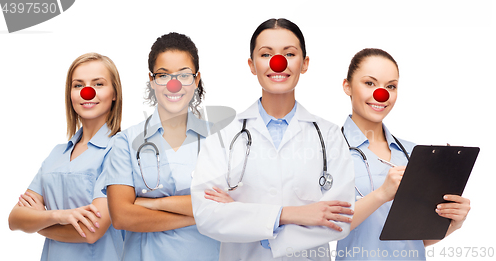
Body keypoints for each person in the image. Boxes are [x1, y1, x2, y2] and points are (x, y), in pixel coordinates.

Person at [191, 18, 355, 260]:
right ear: (252, 65)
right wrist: (289, 214)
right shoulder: (224, 135)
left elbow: (339, 220)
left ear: (304, 63)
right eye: (266, 55)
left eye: (289, 54)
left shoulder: (329, 136)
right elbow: (207, 216)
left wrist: (241, 213)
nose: (278, 64)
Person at [336, 48, 471, 260]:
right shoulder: (328, 151)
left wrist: (453, 222)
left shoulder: (413, 153)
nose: (382, 94)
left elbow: (415, 239)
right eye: (369, 83)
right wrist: (381, 194)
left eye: (390, 86)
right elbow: (326, 227)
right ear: (347, 86)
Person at [104, 32, 220, 261]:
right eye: (163, 75)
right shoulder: (126, 142)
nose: (174, 85)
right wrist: (198, 216)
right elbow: (121, 216)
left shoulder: (219, 140)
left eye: (184, 75)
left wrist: (153, 204)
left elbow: (229, 208)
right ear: (152, 80)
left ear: (196, 80)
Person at [8, 52, 124, 261]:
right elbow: (15, 219)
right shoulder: (56, 154)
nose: (87, 92)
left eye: (98, 84)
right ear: (70, 94)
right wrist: (58, 216)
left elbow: (91, 231)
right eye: (78, 85)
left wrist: (38, 224)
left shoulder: (119, 151)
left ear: (114, 93)